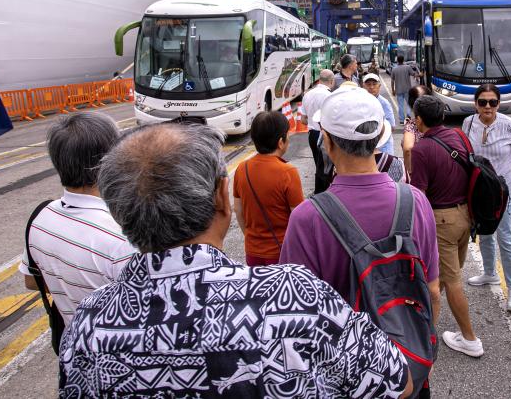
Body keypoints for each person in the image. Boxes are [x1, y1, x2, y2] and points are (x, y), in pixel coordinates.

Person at [60, 123, 413, 398]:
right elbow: (396, 382)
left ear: (120, 214)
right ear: (221, 198)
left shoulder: (87, 325)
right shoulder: (293, 294)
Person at [281, 87, 438, 304]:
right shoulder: (417, 202)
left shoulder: (306, 218)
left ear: (326, 140)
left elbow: (296, 305)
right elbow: (432, 290)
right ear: (379, 137)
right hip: (402, 336)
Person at [20, 112, 134, 326]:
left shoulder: (41, 217)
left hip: (71, 345)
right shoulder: (122, 237)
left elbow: (31, 280)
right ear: (110, 160)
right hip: (113, 353)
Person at [410, 94, 483, 358]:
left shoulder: (422, 149)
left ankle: (470, 338)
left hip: (442, 220)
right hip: (466, 215)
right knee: (444, 273)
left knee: (452, 281)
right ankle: (424, 312)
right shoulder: (459, 136)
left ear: (418, 119)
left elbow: (418, 194)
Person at [463, 84, 511, 312]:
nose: (487, 107)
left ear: (498, 103)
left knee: (505, 238)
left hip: (503, 191)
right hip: (479, 191)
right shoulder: (469, 123)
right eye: (483, 102)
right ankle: (489, 273)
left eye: (492, 102)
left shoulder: (508, 124)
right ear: (476, 104)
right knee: (485, 234)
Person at [232, 111, 304, 266]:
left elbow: (238, 210)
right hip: (281, 252)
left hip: (252, 251)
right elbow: (298, 217)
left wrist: (251, 237)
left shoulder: (241, 169)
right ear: (280, 142)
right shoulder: (288, 172)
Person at [302, 69, 334, 193]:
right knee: (327, 167)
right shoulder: (329, 96)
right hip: (324, 135)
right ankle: (325, 192)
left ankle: (320, 192)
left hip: (312, 135)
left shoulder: (307, 94)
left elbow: (303, 120)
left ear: (319, 80)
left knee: (318, 165)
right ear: (331, 81)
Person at [362, 73, 396, 155]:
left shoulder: (384, 103)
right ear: (363, 86)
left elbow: (391, 126)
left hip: (383, 147)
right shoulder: (361, 102)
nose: (371, 87)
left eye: (374, 84)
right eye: (368, 84)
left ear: (379, 86)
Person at [402, 84, 432, 176]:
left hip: (419, 174)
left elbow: (407, 149)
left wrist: (410, 172)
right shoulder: (436, 120)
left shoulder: (411, 125)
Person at [391, 55, 417, 122]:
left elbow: (392, 81)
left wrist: (393, 90)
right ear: (403, 60)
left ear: (397, 61)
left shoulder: (394, 69)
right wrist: (420, 74)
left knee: (400, 105)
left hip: (398, 90)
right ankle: (408, 115)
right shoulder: (407, 67)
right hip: (407, 89)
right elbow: (414, 74)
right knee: (409, 103)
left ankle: (402, 120)